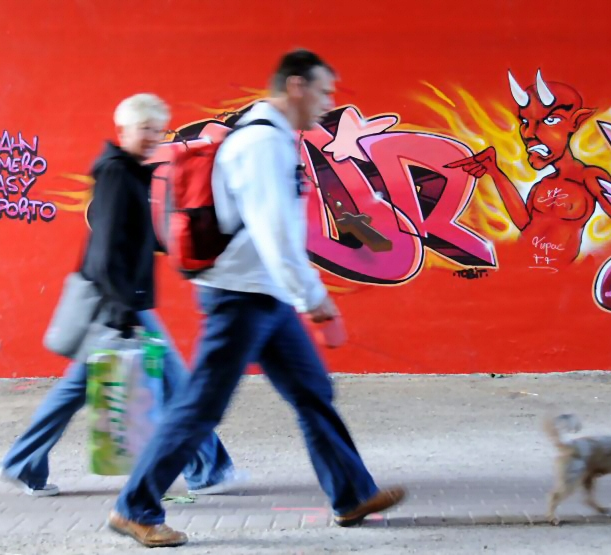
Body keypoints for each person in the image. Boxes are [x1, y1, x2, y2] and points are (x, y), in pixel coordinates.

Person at [106, 50, 406, 548]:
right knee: (201, 407)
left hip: (263, 295)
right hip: (238, 297)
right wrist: (313, 297)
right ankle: (133, 507)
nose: (329, 102)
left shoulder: (273, 138)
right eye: (324, 90)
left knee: (312, 392)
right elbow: (275, 233)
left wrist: (297, 294)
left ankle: (352, 496)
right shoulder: (263, 143)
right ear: (296, 86)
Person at [0, 94, 246, 498]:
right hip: (123, 305)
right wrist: (125, 313)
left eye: (157, 129)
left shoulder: (130, 173)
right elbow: (109, 249)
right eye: (144, 129)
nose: (152, 136)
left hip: (121, 303)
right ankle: (209, 469)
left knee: (78, 386)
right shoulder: (117, 176)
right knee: (179, 385)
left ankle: (22, 463)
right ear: (123, 131)